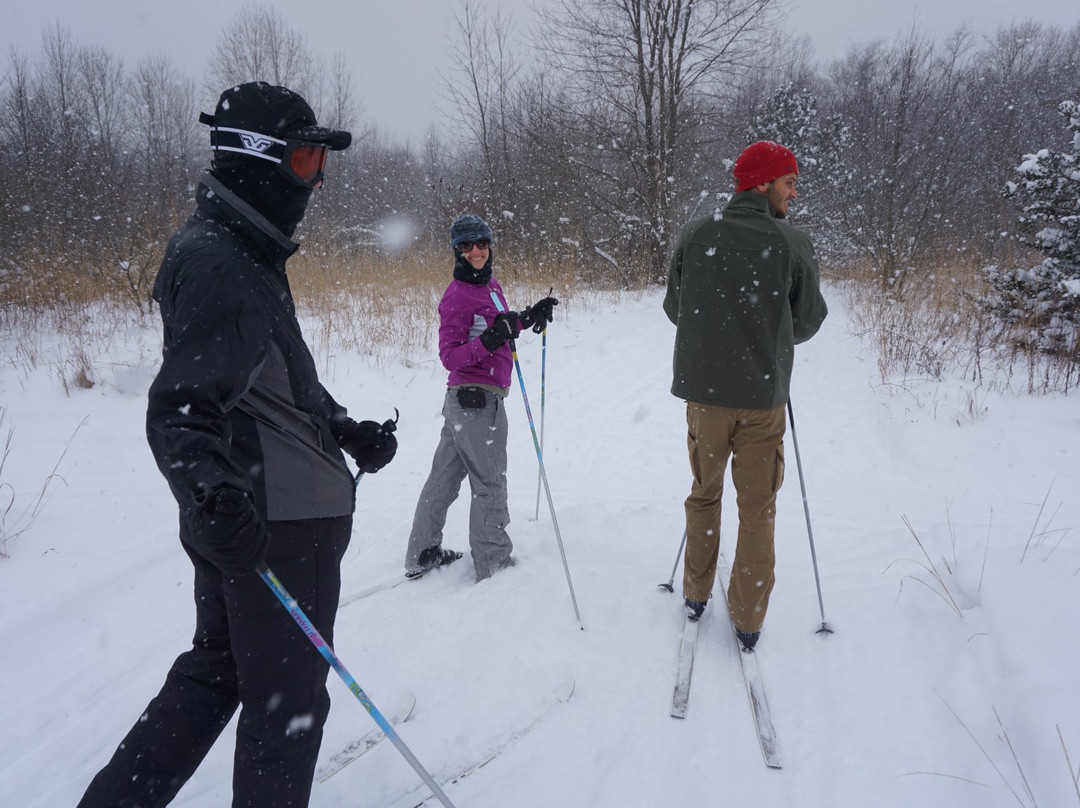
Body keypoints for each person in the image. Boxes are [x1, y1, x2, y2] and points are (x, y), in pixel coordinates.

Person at [76, 82, 398, 808]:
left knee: (217, 670)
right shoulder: (224, 261)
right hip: (278, 525)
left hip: (255, 513)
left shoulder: (234, 246)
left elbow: (272, 373)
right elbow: (182, 410)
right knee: (286, 708)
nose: (317, 178)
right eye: (309, 158)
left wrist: (342, 427)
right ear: (260, 160)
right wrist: (215, 497)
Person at [663, 140, 828, 652]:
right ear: (761, 183)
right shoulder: (791, 242)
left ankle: (695, 594)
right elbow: (808, 319)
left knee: (704, 492)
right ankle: (748, 618)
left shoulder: (697, 234)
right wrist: (767, 334)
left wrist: (717, 333)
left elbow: (676, 307)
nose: (793, 193)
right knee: (758, 510)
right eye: (788, 182)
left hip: (706, 399)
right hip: (761, 400)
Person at [405, 214, 557, 582]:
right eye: (467, 246)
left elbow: (499, 324)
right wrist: (490, 340)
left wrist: (524, 317)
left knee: (443, 478)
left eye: (482, 244)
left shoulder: (489, 285)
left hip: (466, 404)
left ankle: (422, 552)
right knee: (490, 483)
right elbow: (450, 356)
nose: (476, 252)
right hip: (475, 402)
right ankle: (494, 564)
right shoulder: (458, 295)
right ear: (456, 251)